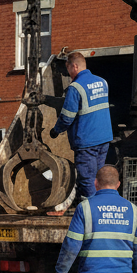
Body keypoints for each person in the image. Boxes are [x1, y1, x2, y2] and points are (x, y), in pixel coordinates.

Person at [49, 51, 113, 202]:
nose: (68, 73)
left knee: (87, 179)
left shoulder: (75, 87)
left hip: (87, 141)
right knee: (98, 177)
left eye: (68, 68)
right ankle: (102, 205)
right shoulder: (102, 82)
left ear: (75, 66)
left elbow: (67, 117)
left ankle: (94, 209)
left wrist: (56, 130)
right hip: (104, 138)